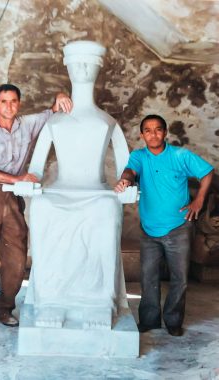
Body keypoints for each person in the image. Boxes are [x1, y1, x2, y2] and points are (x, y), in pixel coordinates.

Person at [18, 40, 132, 330]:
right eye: (77, 62)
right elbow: (35, 168)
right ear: (67, 67)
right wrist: (31, 181)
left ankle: (97, 302)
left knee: (106, 211)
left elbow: (128, 167)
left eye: (89, 62)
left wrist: (126, 185)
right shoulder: (54, 122)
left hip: (97, 193)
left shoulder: (108, 122)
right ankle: (51, 299)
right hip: (61, 190)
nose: (82, 68)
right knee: (42, 208)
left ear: (99, 67)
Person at [0, 83, 72, 328]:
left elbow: (53, 111)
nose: (9, 106)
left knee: (16, 256)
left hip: (13, 197)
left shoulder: (28, 124)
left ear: (19, 103)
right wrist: (18, 178)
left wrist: (59, 95)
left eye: (13, 101)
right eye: (4, 101)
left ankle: (4, 308)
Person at [114, 114, 214, 336]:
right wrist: (125, 180)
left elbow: (207, 173)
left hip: (179, 228)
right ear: (142, 135)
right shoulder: (139, 156)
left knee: (180, 278)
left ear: (165, 132)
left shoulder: (180, 155)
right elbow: (130, 171)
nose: (153, 134)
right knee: (148, 277)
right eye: (148, 130)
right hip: (149, 230)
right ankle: (149, 320)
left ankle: (173, 321)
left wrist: (198, 200)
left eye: (158, 129)